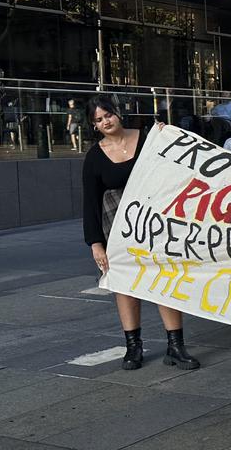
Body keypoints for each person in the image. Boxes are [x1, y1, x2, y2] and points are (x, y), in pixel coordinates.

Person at [83, 96, 199, 371]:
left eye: (108, 114)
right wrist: (95, 244)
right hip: (116, 227)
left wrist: (167, 136)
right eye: (99, 119)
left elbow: (177, 165)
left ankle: (176, 346)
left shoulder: (149, 137)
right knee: (125, 285)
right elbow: (90, 202)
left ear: (118, 113)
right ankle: (133, 348)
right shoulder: (94, 156)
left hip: (156, 221)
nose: (106, 121)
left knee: (164, 279)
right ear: (94, 125)